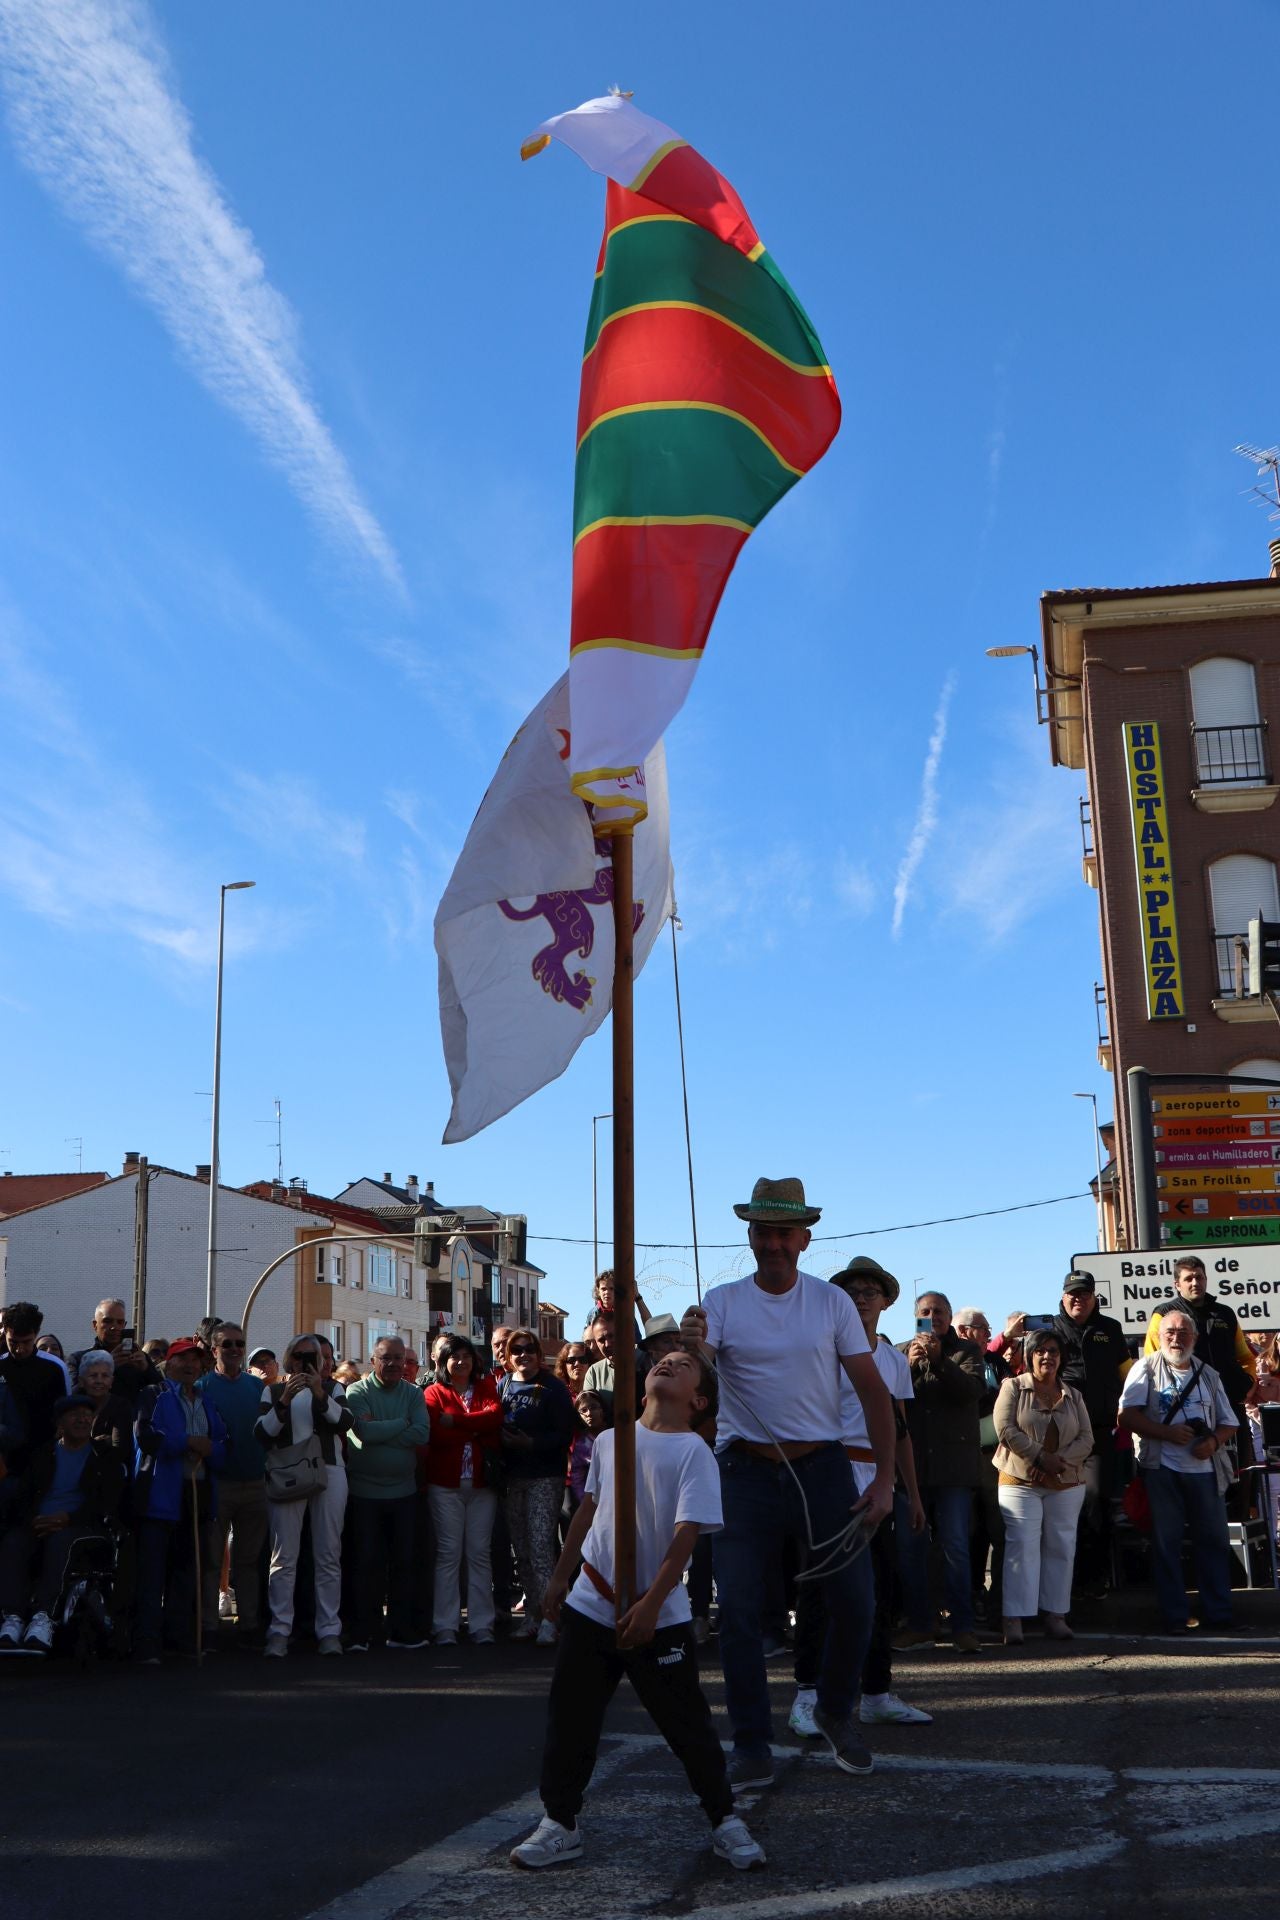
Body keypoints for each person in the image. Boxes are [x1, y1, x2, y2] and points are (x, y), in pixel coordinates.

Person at [510, 1346, 764, 1873]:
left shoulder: (693, 1451)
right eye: (663, 1359)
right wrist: (562, 1575)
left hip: (657, 1611)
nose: (668, 1363)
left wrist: (650, 1604)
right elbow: (589, 1508)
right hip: (592, 1601)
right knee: (571, 1718)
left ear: (698, 1399)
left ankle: (724, 1819)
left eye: (685, 1364)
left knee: (687, 1724)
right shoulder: (608, 1440)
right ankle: (561, 1823)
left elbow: (685, 1535)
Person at [681, 1176, 895, 1792]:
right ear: (750, 1236)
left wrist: (883, 1480)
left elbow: (873, 1391)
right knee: (742, 1614)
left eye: (784, 1232)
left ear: (804, 1238)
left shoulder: (830, 1303)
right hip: (743, 1471)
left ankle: (833, 1707)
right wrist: (692, 1347)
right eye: (763, 1231)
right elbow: (697, 1379)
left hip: (822, 1467)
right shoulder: (720, 1302)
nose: (773, 1243)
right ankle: (751, 1743)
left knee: (856, 1602)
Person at [790, 1257, 930, 1736]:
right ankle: (807, 1693)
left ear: (886, 1302)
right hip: (832, 1472)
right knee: (821, 1585)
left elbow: (901, 1430)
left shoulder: (892, 1360)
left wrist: (912, 1493)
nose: (862, 1297)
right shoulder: (826, 1352)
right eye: (853, 1290)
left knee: (880, 1588)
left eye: (872, 1290)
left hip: (879, 1478)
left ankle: (875, 1693)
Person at [1119, 1309, 1241, 1634]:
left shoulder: (1209, 1374)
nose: (1177, 1338)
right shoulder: (1144, 1368)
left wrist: (1213, 1441)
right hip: (1163, 1468)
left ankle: (1219, 1614)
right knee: (1166, 1543)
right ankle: (1175, 1617)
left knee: (1214, 1542)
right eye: (1170, 1332)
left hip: (1204, 1469)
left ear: (1195, 1338)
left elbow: (1230, 1422)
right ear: (1159, 1337)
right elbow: (1126, 1417)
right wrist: (1166, 1433)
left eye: (1184, 1333)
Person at [894, 1290, 986, 1653]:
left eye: (939, 1311)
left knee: (956, 1548)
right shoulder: (901, 1353)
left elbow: (971, 1393)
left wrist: (940, 1361)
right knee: (911, 1550)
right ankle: (920, 1624)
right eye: (925, 1311)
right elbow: (886, 1398)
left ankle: (962, 1626)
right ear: (915, 1316)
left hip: (953, 1470)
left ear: (950, 1317)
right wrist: (912, 1366)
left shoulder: (968, 1352)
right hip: (911, 1469)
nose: (933, 1317)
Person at [0, 1394, 126, 1654]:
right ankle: (12, 1617)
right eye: (74, 1414)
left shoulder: (104, 1456)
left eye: (86, 1414)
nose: (81, 1419)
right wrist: (34, 1520)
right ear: (60, 1422)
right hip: (40, 1524)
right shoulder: (42, 1454)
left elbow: (107, 1502)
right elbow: (22, 1498)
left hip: (85, 1527)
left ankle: (44, 1617)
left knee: (62, 1542)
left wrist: (68, 1519)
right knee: (14, 1542)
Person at [992, 1328, 1093, 1645]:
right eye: (1040, 1351)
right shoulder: (1012, 1387)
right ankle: (1014, 1619)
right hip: (1019, 1481)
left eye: (1054, 1351)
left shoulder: (1073, 1395)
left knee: (1061, 1546)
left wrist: (1057, 1461)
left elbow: (1087, 1439)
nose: (1048, 1356)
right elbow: (1004, 1428)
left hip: (1065, 1481)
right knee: (1022, 1544)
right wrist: (1039, 1458)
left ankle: (1055, 1615)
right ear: (1029, 1355)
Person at [255, 1334, 353, 1657]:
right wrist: (284, 1402)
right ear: (289, 1358)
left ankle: (329, 1629)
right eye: (298, 1356)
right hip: (288, 1474)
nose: (304, 1362)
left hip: (329, 1471)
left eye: (311, 1356)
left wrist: (319, 1392)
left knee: (328, 1553)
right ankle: (279, 1630)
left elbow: (345, 1422)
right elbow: (262, 1432)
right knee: (283, 1556)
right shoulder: (273, 1390)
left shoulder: (334, 1389)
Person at [132, 1338, 229, 1664]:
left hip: (198, 1493)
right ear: (168, 1363)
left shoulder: (207, 1401)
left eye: (195, 1360)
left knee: (187, 1572)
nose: (189, 1365)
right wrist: (186, 1441)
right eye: (182, 1359)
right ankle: (147, 1644)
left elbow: (223, 1443)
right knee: (153, 1573)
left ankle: (179, 1639)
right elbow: (146, 1437)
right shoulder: (153, 1395)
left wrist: (210, 1449)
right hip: (161, 1493)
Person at [344, 1335, 430, 1651]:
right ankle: (364, 1631)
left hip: (404, 1493)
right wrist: (401, 1425)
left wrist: (382, 1430)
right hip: (364, 1493)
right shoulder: (356, 1391)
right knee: (366, 1564)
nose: (394, 1364)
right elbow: (362, 1432)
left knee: (404, 1564)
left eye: (399, 1358)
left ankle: (400, 1630)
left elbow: (422, 1432)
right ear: (373, 1360)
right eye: (386, 1358)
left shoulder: (414, 1393)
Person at [422, 1333, 503, 1644]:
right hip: (445, 1484)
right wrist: (474, 1427)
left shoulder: (485, 1387)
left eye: (466, 1356)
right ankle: (446, 1625)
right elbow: (436, 1437)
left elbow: (494, 1418)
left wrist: (455, 1421)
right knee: (448, 1554)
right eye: (454, 1356)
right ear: (443, 1362)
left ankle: (482, 1623)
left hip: (483, 1485)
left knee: (479, 1553)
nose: (461, 1361)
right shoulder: (433, 1392)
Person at [1053, 1271, 1132, 1591]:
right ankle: (1066, 1583)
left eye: (1084, 1294)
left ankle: (1095, 1580)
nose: (1078, 1299)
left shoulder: (1110, 1329)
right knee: (1063, 1510)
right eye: (1072, 1293)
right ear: (1062, 1296)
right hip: (1060, 1437)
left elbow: (1127, 1375)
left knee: (1097, 1507)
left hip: (1100, 1435)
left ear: (1094, 1297)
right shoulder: (1051, 1329)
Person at [499, 1329, 575, 1647]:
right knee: (523, 1552)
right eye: (516, 1349)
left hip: (545, 1476)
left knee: (543, 1549)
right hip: (513, 1477)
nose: (523, 1354)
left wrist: (531, 1442)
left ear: (539, 1352)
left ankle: (551, 1618)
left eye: (529, 1349)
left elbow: (565, 1433)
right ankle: (532, 1614)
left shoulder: (553, 1388)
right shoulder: (503, 1385)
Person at [199, 1321, 268, 1642]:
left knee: (249, 1561)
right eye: (227, 1344)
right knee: (212, 1560)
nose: (235, 1350)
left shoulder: (257, 1388)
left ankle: (250, 1623)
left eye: (239, 1344)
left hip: (255, 1483)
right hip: (217, 1485)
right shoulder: (201, 1388)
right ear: (214, 1349)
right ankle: (209, 1624)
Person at [954, 1307, 1007, 1623]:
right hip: (960, 1459)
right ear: (963, 1331)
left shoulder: (996, 1362)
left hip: (995, 1458)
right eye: (983, 1328)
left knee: (998, 1530)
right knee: (966, 1533)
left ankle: (997, 1601)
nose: (988, 1334)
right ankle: (968, 1595)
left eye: (989, 1329)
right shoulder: (951, 1360)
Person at [0, 1303, 73, 1488]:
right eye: (13, 1342)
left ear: (36, 1333)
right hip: (5, 1461)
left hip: (41, 1459)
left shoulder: (54, 1367)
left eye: (26, 1342)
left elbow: (65, 1413)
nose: (19, 1349)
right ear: (5, 1333)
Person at [69, 1299, 161, 1406]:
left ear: (124, 1325)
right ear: (95, 1325)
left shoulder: (139, 1359)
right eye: (107, 1321)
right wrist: (107, 1367)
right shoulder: (78, 1359)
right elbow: (73, 1396)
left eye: (120, 1322)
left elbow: (162, 1393)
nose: (114, 1327)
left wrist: (147, 1370)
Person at [76, 1350, 134, 1470]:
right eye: (93, 1375)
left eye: (105, 1376)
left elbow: (119, 1450)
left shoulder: (121, 1406)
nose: (99, 1381)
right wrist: (100, 1443)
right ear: (81, 1381)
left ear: (111, 1381)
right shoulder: (72, 1406)